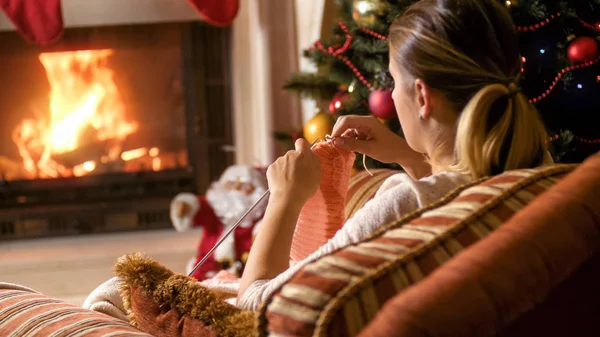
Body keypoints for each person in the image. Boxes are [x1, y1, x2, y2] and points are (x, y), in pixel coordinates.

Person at [236, 0, 552, 311]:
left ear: (421, 96)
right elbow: (454, 186)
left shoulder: (403, 207)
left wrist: (285, 197)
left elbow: (257, 306)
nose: (392, 96)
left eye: (394, 82)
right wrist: (412, 158)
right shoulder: (542, 171)